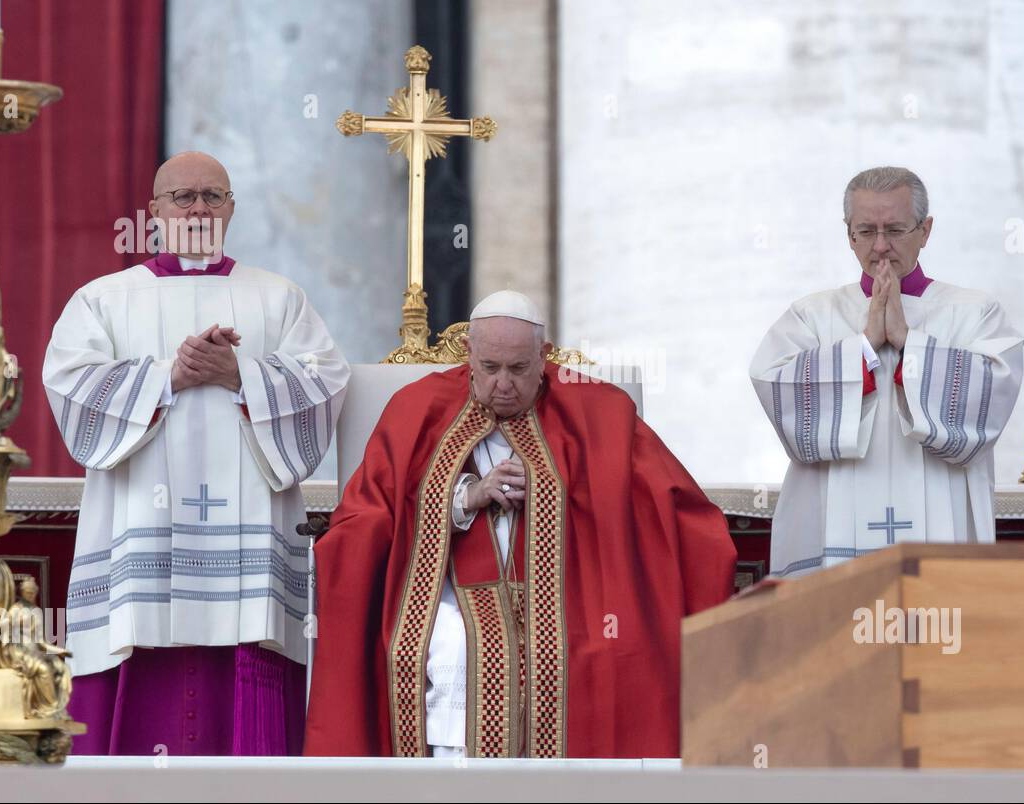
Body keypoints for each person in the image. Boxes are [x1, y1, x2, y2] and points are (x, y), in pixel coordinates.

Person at [305, 290, 735, 758]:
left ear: (544, 358)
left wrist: (562, 494)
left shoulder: (600, 412)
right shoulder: (417, 408)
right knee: (450, 648)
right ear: (469, 353)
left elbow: (668, 510)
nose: (503, 384)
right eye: (489, 368)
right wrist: (464, 497)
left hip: (574, 598)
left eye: (518, 369)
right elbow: (367, 514)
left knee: (603, 652)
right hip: (446, 596)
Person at [42, 151, 350, 755]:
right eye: (184, 196)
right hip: (142, 527)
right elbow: (71, 387)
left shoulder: (279, 297)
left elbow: (326, 382)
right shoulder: (103, 299)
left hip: (249, 546)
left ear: (232, 208)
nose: (199, 207)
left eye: (213, 195)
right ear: (153, 211)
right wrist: (167, 377)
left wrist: (242, 374)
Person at [751, 166, 1024, 578]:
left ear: (925, 230)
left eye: (895, 230)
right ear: (849, 234)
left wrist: (906, 341)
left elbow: (987, 405)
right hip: (834, 544)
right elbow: (778, 391)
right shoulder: (812, 315)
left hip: (940, 533)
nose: (880, 247)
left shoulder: (974, 312)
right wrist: (863, 347)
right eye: (866, 231)